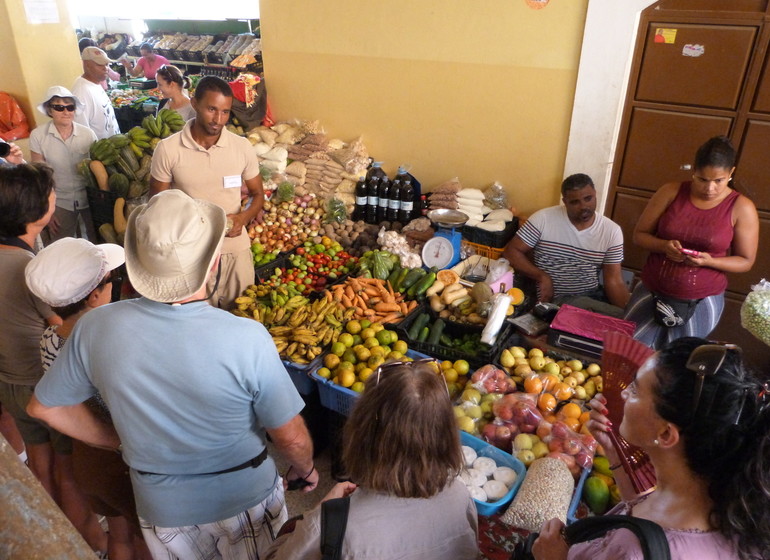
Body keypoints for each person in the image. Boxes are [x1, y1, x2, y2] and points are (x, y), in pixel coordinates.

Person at [27, 190, 317, 560]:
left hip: (160, 507)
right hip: (243, 497)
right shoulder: (246, 337)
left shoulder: (94, 327)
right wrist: (306, 468)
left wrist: (117, 441)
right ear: (212, 264)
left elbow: (44, 408)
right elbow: (290, 438)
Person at [532, 337, 770, 560]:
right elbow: (643, 511)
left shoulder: (632, 551)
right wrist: (614, 453)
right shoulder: (725, 496)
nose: (624, 393)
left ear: (666, 434)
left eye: (635, 390)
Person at [265, 361, 479, 560]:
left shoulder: (332, 526)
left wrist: (322, 509)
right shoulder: (461, 497)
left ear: (361, 433)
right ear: (447, 433)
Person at [0, 163, 109, 554]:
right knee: (69, 468)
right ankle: (88, 540)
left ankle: (50, 529)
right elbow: (60, 322)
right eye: (50, 195)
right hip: (45, 383)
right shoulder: (29, 270)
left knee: (40, 463)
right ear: (37, 211)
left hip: (9, 382)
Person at [25, 237, 151, 560]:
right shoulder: (110, 343)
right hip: (122, 463)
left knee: (119, 535)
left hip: (86, 460)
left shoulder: (49, 338)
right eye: (111, 281)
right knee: (146, 540)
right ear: (96, 296)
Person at [624, 136, 759, 349]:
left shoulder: (742, 207)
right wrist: (663, 246)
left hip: (702, 301)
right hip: (652, 291)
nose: (710, 188)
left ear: (731, 173)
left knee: (678, 364)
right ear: (693, 170)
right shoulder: (670, 192)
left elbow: (745, 261)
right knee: (629, 353)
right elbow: (639, 235)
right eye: (702, 179)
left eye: (719, 180)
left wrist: (708, 262)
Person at [149, 76, 264, 309]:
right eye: (212, 109)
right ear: (194, 103)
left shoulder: (241, 147)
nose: (218, 119)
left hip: (235, 251)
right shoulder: (168, 149)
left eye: (225, 112)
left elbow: (257, 194)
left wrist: (243, 218)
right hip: (192, 257)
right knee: (198, 323)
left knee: (240, 316)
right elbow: (157, 205)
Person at [502, 173, 630, 317]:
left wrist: (628, 313)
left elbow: (613, 280)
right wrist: (541, 276)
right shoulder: (544, 219)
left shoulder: (611, 231)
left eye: (588, 199)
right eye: (575, 202)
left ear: (595, 194)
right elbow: (511, 252)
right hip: (551, 301)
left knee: (622, 319)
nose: (584, 207)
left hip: (590, 297)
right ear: (565, 201)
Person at [30, 86, 98, 243]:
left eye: (70, 107)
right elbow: (39, 176)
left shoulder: (88, 134)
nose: (65, 112)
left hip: (89, 199)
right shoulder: (38, 136)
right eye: (59, 107)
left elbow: (98, 167)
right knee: (61, 244)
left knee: (97, 241)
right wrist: (47, 209)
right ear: (50, 110)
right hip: (59, 201)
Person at [72, 47, 121, 140]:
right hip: (101, 152)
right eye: (100, 64)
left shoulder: (95, 83)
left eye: (107, 64)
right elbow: (80, 132)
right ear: (86, 65)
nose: (105, 68)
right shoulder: (81, 92)